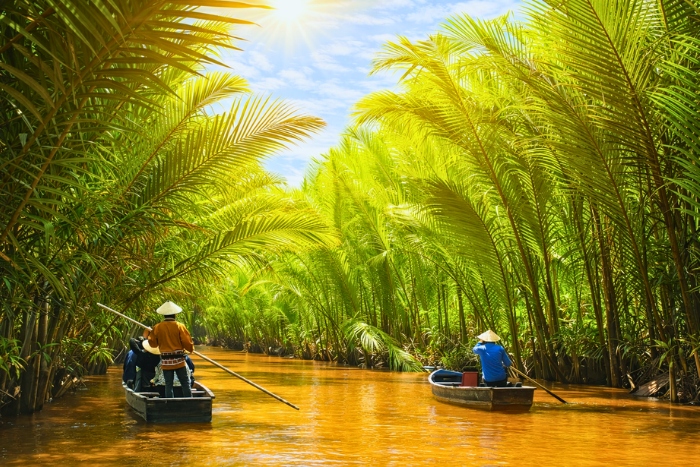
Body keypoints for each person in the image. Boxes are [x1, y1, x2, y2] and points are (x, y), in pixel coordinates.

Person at [145, 301, 194, 398]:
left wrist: (152, 334)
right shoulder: (180, 326)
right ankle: (189, 402)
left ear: (164, 315)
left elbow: (153, 344)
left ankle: (169, 403)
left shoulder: (158, 327)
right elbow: (187, 343)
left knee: (168, 384)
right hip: (179, 360)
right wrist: (190, 349)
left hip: (166, 361)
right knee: (185, 383)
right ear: (175, 314)